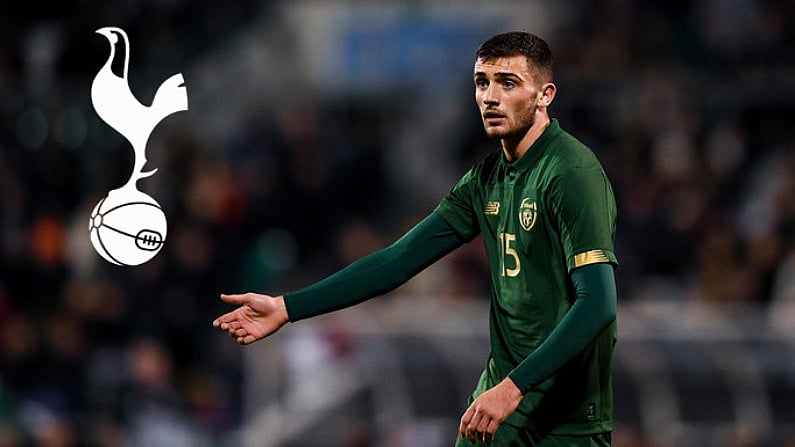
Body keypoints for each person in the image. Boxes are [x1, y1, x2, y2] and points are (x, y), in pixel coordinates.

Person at [213, 31, 618, 447]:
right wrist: (287, 306)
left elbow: (598, 305)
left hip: (563, 420)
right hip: (496, 411)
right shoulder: (485, 180)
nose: (490, 97)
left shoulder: (571, 174)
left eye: (507, 83)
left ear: (544, 94)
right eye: (482, 83)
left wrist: (515, 386)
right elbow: (398, 260)